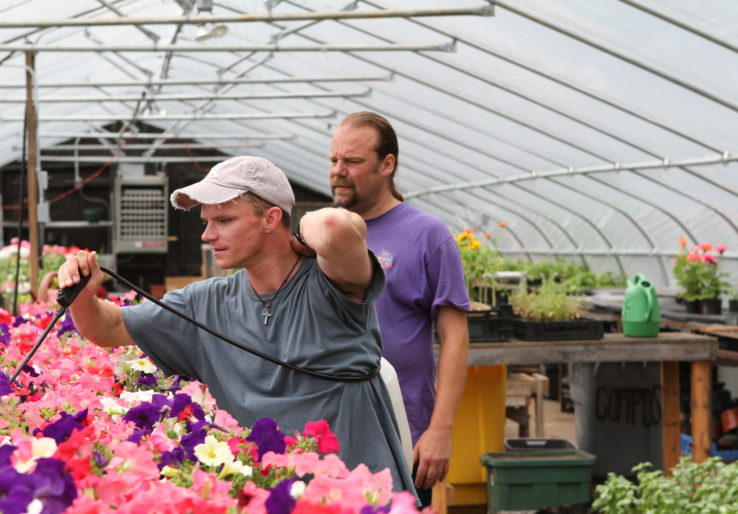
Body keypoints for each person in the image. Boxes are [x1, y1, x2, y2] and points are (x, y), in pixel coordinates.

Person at [57, 155, 416, 495]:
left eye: (224, 220)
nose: (207, 235)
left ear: (271, 219)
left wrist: (303, 234)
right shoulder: (204, 302)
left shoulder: (332, 282)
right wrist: (84, 296)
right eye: (207, 222)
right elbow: (109, 327)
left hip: (358, 495)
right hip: (270, 496)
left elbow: (335, 225)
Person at [328, 112, 470, 506]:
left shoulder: (428, 235)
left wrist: (440, 429)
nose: (338, 171)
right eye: (333, 160)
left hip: (402, 424)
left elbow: (455, 337)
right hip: (331, 426)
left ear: (387, 164)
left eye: (352, 161)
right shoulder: (325, 234)